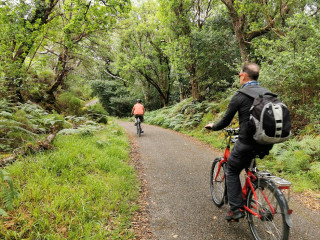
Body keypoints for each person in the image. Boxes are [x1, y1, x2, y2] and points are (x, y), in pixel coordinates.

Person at [205, 63, 273, 221]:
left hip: (247, 142)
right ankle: (254, 187)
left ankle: (235, 210)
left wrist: (213, 126)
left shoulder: (240, 95)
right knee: (249, 163)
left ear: (243, 76)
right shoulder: (268, 94)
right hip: (267, 141)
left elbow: (225, 121)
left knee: (232, 170)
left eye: (239, 75)